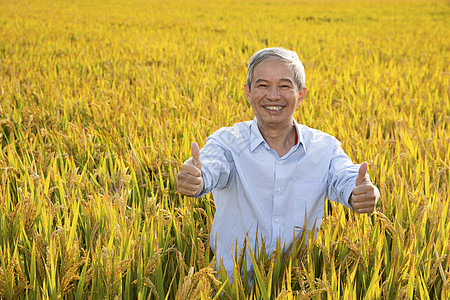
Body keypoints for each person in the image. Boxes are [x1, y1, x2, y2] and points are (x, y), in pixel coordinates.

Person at [177, 47, 380, 279]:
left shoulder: (324, 148)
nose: (273, 96)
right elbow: (210, 167)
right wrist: (196, 179)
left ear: (301, 95)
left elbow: (347, 179)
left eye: (284, 86)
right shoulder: (227, 142)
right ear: (248, 92)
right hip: (231, 288)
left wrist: (361, 193)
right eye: (263, 85)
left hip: (294, 286)